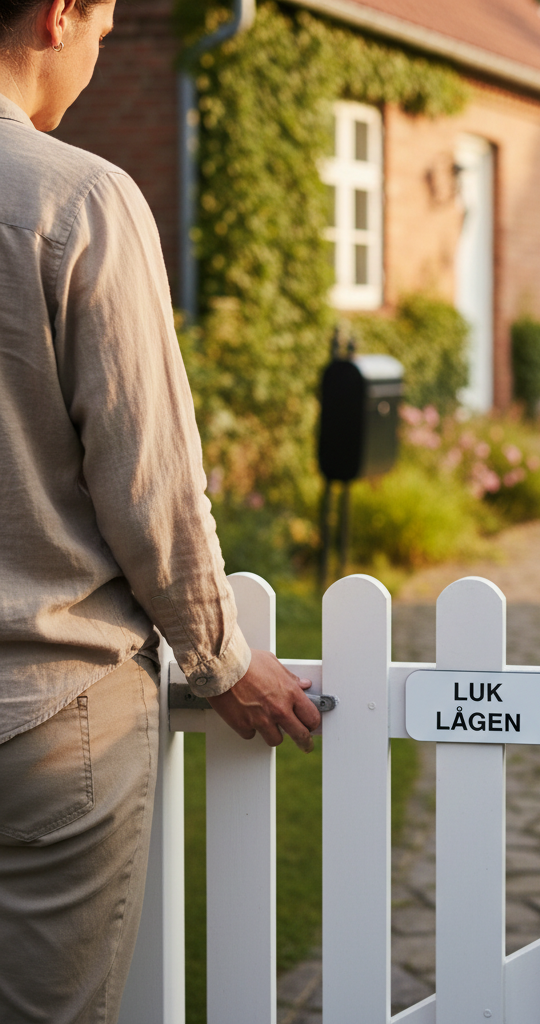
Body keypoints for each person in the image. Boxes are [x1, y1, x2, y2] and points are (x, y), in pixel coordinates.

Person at [0, 0, 322, 1019]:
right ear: (57, 17)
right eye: (101, 26)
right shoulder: (77, 198)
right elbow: (149, 479)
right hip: (46, 712)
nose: (100, 52)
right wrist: (223, 658)